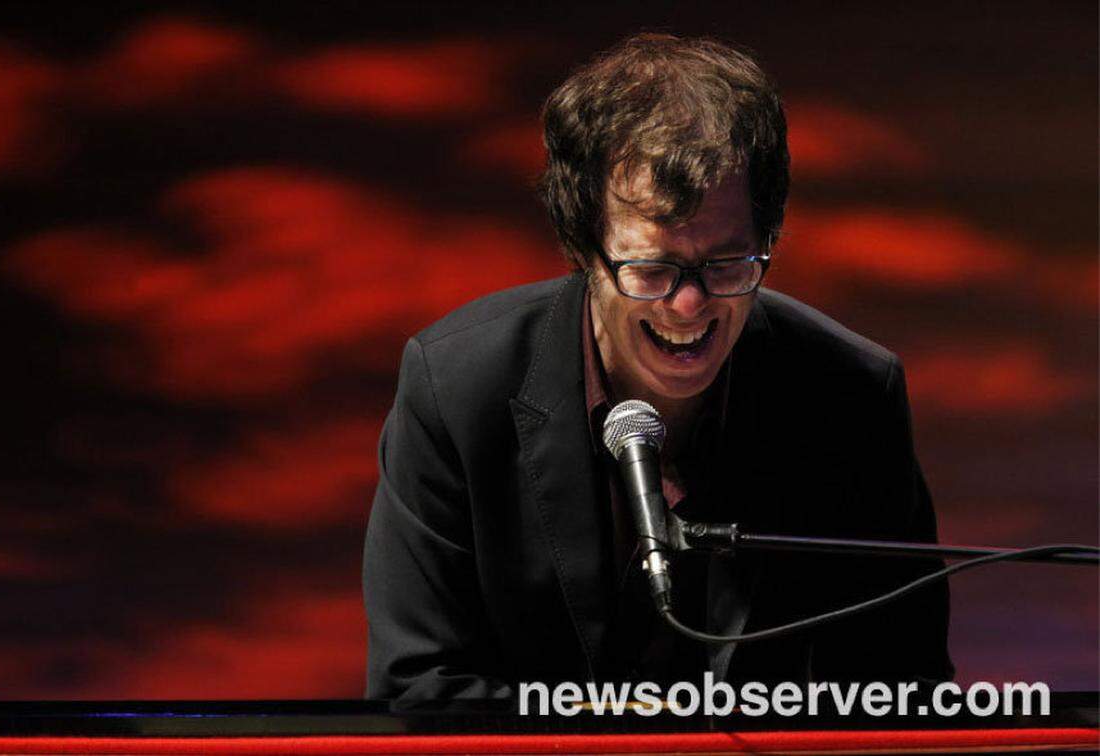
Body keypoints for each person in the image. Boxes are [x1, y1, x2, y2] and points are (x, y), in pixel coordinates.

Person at [363, 33, 952, 700]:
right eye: (652, 268)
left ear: (768, 241)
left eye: (727, 264)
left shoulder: (849, 396)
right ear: (586, 248)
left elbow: (904, 693)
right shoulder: (457, 386)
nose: (690, 304)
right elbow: (417, 686)